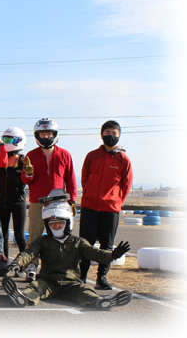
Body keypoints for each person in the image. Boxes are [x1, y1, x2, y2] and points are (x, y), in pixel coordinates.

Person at [3, 201, 133, 310]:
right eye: (52, 224)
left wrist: (112, 255)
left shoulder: (78, 242)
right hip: (47, 282)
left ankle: (100, 302)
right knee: (35, 287)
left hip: (71, 283)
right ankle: (23, 298)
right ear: (47, 226)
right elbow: (28, 253)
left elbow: (96, 254)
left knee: (84, 290)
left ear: (68, 223)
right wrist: (17, 262)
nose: (56, 226)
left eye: (60, 223)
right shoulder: (42, 241)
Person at [20, 118, 78, 282]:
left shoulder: (65, 154)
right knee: (34, 236)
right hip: (38, 202)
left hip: (59, 202)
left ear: (55, 134)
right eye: (43, 134)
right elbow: (25, 180)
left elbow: (71, 179)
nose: (46, 136)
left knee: (59, 235)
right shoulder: (31, 155)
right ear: (37, 135)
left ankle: (57, 268)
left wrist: (72, 200)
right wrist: (29, 173)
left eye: (49, 133)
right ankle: (32, 267)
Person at [78, 120, 133, 289]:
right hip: (89, 207)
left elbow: (126, 185)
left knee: (107, 245)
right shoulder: (92, 156)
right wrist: (89, 195)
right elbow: (84, 179)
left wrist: (116, 202)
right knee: (85, 244)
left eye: (114, 133)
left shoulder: (123, 159)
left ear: (119, 136)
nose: (111, 136)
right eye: (107, 133)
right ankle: (82, 276)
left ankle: (101, 278)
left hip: (111, 209)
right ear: (101, 135)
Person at [0, 127, 28, 260]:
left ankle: (26, 263)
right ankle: (4, 262)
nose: (5, 143)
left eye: (9, 140)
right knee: (2, 235)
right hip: (1, 204)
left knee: (19, 236)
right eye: (4, 140)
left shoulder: (25, 162)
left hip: (18, 203)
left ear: (19, 141)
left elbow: (30, 180)